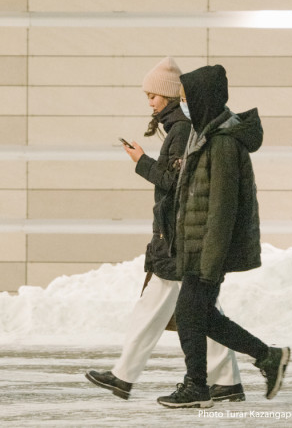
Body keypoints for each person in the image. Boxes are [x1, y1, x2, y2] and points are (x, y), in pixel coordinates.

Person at [85, 57, 244, 403]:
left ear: (170, 96)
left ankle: (123, 377)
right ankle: (228, 381)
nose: (150, 101)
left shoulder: (182, 130)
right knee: (201, 312)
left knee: (157, 308)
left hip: (176, 238)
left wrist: (141, 161)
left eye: (154, 94)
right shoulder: (176, 129)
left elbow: (174, 183)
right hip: (176, 235)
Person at [157, 64, 290, 409]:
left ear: (201, 100)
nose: (182, 105)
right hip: (198, 248)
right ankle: (267, 357)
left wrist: (210, 263)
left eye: (185, 98)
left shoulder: (224, 145)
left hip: (207, 251)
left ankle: (197, 386)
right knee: (200, 316)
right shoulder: (206, 138)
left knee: (189, 315)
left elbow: (222, 209)